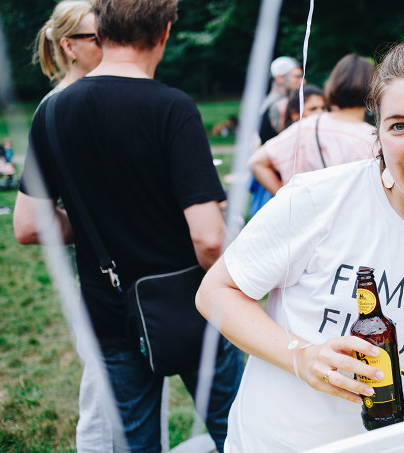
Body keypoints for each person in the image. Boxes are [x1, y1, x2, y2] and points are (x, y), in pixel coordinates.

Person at [195, 33, 404, 452]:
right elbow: (215, 292)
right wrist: (301, 356)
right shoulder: (318, 198)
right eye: (399, 126)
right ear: (378, 132)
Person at [13, 0, 243, 451]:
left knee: (135, 443)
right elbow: (208, 237)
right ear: (165, 33)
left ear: (102, 30)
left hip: (109, 309)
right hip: (192, 305)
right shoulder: (172, 108)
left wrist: (92, 225)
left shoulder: (52, 112)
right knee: (237, 430)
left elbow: (28, 225)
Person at [29, 3, 111, 450]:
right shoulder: (57, 108)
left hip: (130, 275)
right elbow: (30, 222)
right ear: (69, 46)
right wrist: (96, 224)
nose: (110, 44)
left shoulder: (107, 97)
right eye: (98, 37)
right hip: (98, 275)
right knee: (104, 397)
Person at [248, 54, 376, 195]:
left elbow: (257, 162)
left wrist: (285, 198)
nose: (303, 81)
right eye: (297, 77)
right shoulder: (373, 139)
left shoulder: (305, 127)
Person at [248, 56, 304, 218]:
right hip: (275, 175)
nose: (302, 81)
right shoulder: (281, 105)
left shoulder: (267, 101)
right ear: (280, 78)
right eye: (297, 77)